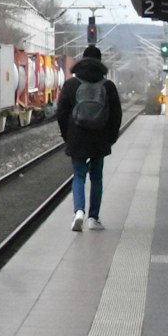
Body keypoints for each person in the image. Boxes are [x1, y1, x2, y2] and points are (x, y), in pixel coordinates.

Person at [57, 45, 122, 231]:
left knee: (78, 176)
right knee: (96, 177)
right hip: (99, 137)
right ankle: (93, 218)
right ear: (100, 62)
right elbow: (116, 115)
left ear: (82, 61)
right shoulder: (107, 86)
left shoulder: (70, 85)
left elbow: (61, 113)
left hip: (77, 137)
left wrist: (67, 136)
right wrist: (111, 138)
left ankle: (78, 212)